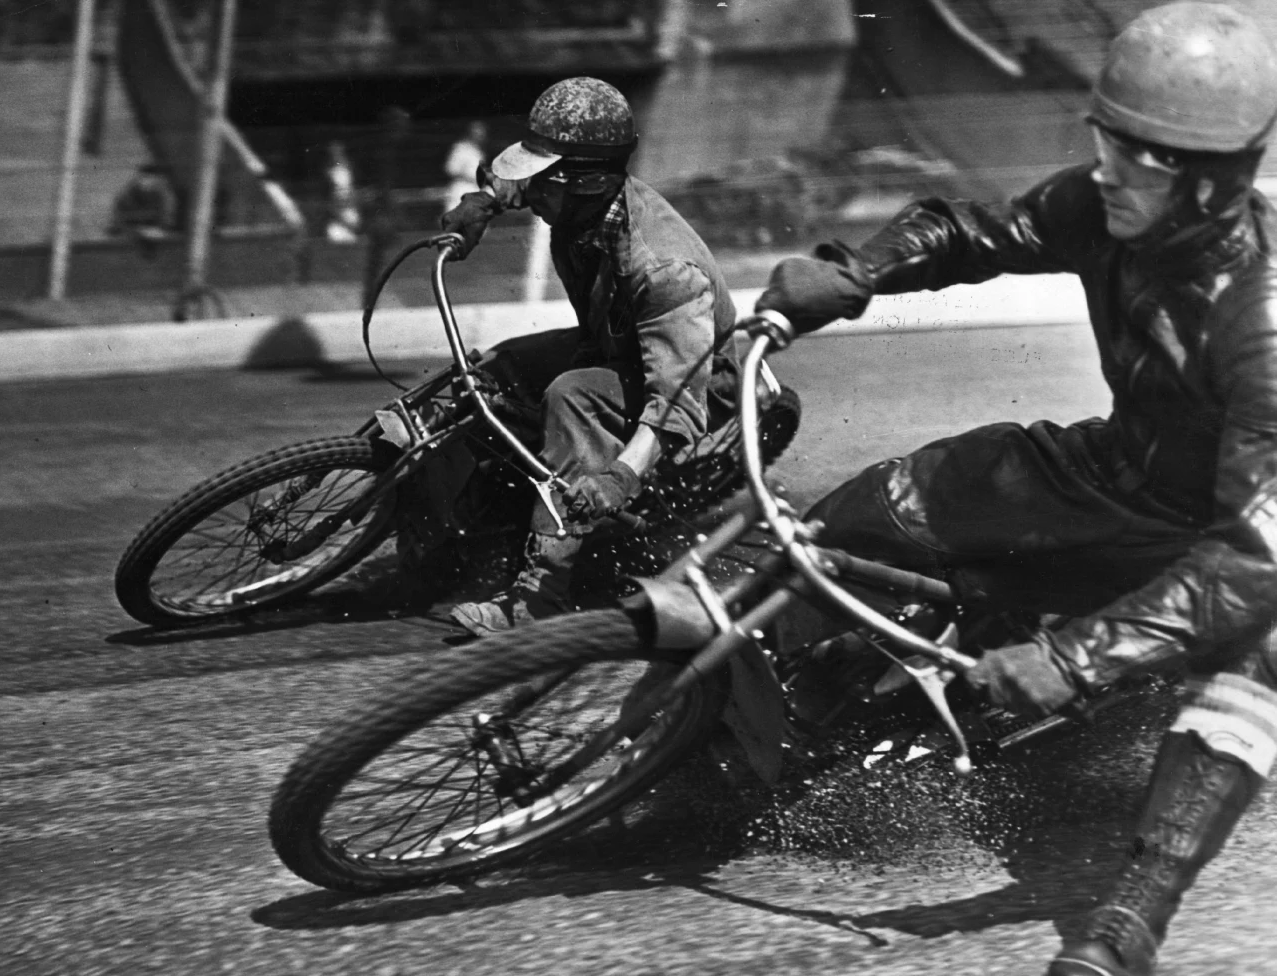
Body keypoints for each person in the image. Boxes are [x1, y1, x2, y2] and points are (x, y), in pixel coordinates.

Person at [754, 5, 1277, 975]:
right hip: (1107, 468)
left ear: (1212, 183)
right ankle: (762, 685)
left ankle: (1130, 921)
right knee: (887, 501)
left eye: (1145, 156)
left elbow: (1251, 560)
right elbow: (976, 232)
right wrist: (852, 275)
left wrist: (1074, 661)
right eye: (1106, 139)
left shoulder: (1262, 321)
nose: (1109, 168)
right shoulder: (1105, 201)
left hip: (1216, 542)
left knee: (1258, 662)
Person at [438, 77, 741, 636]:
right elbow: (520, 185)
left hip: (690, 381)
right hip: (613, 346)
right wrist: (484, 201)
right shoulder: (577, 200)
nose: (532, 194)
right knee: (494, 371)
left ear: (587, 181)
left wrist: (622, 477)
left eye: (542, 180)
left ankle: (539, 602)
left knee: (572, 395)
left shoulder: (664, 269)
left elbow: (674, 400)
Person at [109, 163, 178, 242]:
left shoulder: (165, 194)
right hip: (129, 233)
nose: (145, 182)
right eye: (143, 177)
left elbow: (167, 221)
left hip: (157, 233)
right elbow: (117, 219)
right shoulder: (128, 193)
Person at [441, 120, 488, 214]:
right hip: (461, 190)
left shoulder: (478, 152)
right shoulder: (460, 148)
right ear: (470, 133)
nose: (480, 135)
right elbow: (450, 169)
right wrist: (470, 177)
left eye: (482, 133)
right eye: (477, 132)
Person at [323, 140, 361, 243]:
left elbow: (351, 192)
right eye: (333, 151)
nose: (336, 154)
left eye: (338, 150)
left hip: (348, 212)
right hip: (337, 214)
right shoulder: (329, 171)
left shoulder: (347, 169)